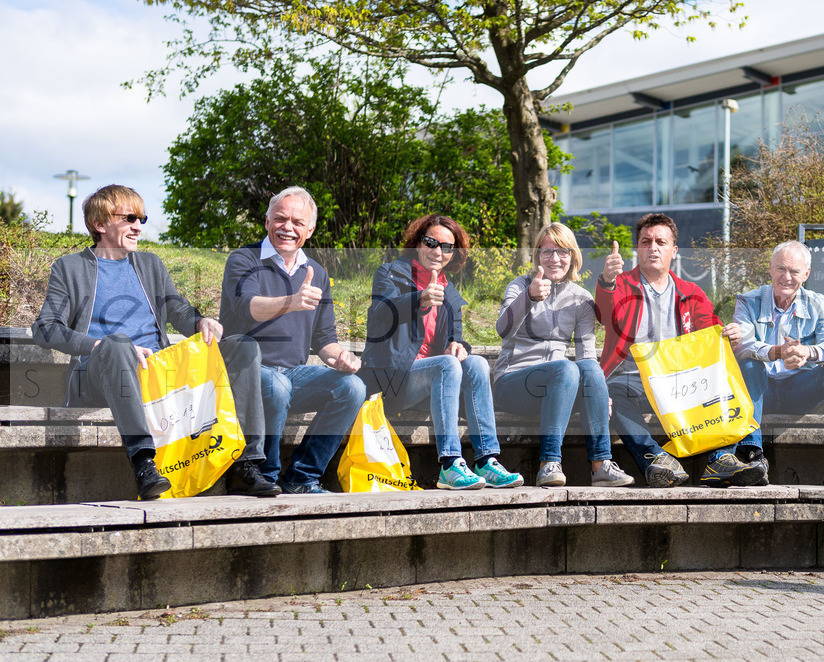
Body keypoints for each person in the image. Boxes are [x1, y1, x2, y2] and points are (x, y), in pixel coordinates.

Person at [32, 184, 279, 499]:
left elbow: (176, 308)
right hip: (98, 373)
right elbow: (45, 328)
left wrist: (199, 322)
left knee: (244, 347)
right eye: (129, 218)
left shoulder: (150, 265)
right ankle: (144, 464)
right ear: (100, 224)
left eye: (142, 219)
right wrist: (97, 346)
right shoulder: (70, 268)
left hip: (157, 372)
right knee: (117, 343)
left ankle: (245, 464)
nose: (138, 226)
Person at [596, 212, 761, 488]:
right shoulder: (621, 284)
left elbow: (711, 331)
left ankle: (720, 459)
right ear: (637, 249)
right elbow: (604, 313)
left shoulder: (690, 291)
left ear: (674, 250)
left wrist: (729, 333)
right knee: (612, 391)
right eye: (646, 242)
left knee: (722, 380)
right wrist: (606, 281)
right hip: (633, 378)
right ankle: (656, 458)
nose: (653, 248)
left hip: (680, 383)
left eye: (661, 242)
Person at [360, 214, 523, 490]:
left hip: (434, 386)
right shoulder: (390, 273)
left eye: (447, 247)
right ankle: (450, 463)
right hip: (393, 381)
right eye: (431, 242)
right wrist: (419, 299)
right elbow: (380, 314)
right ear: (417, 243)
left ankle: (487, 460)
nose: (438, 251)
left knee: (477, 364)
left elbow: (455, 339)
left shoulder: (451, 293)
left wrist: (459, 347)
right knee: (447, 365)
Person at [220, 187, 366, 494]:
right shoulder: (244, 259)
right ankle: (262, 475)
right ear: (267, 221)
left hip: (291, 375)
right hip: (242, 373)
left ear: (309, 230)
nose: (287, 227)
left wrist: (340, 356)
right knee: (276, 385)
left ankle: (302, 477)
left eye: (298, 222)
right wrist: (291, 301)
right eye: (280, 219)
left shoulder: (317, 273)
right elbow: (246, 306)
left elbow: (324, 337)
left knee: (352, 387)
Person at [493, 223, 634, 487]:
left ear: (573, 256)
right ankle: (549, 463)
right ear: (537, 255)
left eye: (562, 251)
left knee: (588, 369)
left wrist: (599, 392)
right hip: (513, 385)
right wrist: (529, 297)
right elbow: (503, 329)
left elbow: (587, 355)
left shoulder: (581, 298)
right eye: (547, 251)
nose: (555, 259)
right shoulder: (520, 286)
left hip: (561, 391)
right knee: (566, 368)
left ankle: (601, 464)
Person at [722, 241, 824, 487]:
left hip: (800, 390)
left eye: (794, 271)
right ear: (770, 268)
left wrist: (808, 351)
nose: (786, 277)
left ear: (806, 274)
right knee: (750, 365)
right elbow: (742, 344)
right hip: (760, 390)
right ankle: (753, 455)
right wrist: (776, 352)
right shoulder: (748, 300)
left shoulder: (816, 302)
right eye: (781, 269)